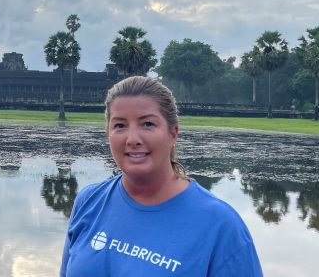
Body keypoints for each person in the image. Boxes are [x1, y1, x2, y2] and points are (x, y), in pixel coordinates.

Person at [60, 76, 262, 276]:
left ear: (173, 133)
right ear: (108, 133)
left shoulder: (221, 225)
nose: (132, 139)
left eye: (147, 124)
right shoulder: (89, 202)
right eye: (120, 125)